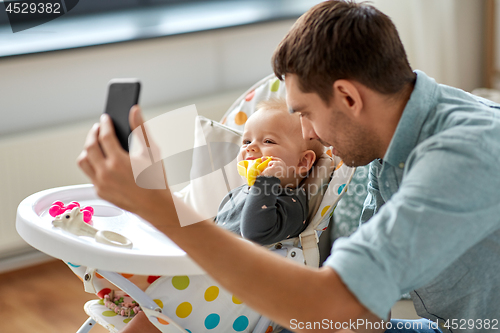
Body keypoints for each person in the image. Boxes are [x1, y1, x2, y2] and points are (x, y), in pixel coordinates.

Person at [77, 1, 500, 333]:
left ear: (349, 98)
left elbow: (331, 304)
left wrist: (159, 208)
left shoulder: (462, 154)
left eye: (305, 113)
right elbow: (356, 305)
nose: (307, 131)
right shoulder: (399, 123)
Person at [216, 98, 324, 245]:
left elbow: (254, 234)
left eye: (268, 141)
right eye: (247, 141)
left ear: (303, 162)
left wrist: (266, 182)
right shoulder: (237, 193)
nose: (250, 147)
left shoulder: (291, 203)